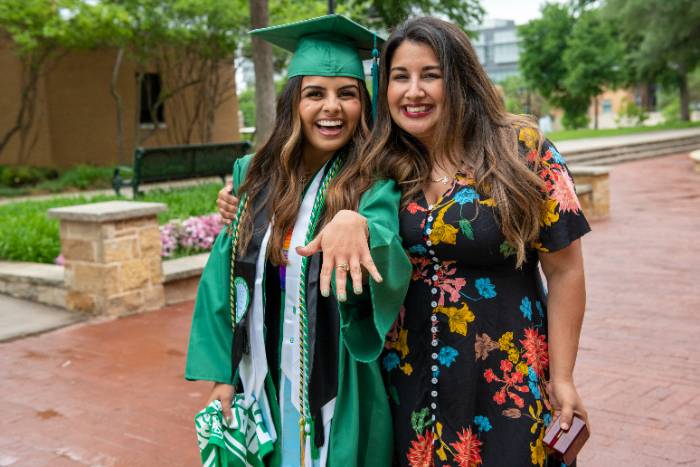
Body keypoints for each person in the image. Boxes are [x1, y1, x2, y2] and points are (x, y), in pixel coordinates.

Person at [219, 16, 592, 467]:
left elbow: (565, 268)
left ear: (459, 79)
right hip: (408, 384)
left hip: (505, 378)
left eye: (430, 75)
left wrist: (565, 376)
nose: (413, 91)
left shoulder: (521, 150)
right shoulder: (383, 164)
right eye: (400, 78)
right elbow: (306, 202)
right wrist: (244, 203)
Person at [186, 15, 411, 467]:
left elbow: (387, 245)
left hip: (338, 377)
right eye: (315, 94)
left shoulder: (373, 179)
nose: (332, 107)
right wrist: (224, 375)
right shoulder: (253, 174)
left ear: (362, 104)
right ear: (293, 102)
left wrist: (359, 224)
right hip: (263, 373)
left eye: (347, 93)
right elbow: (223, 278)